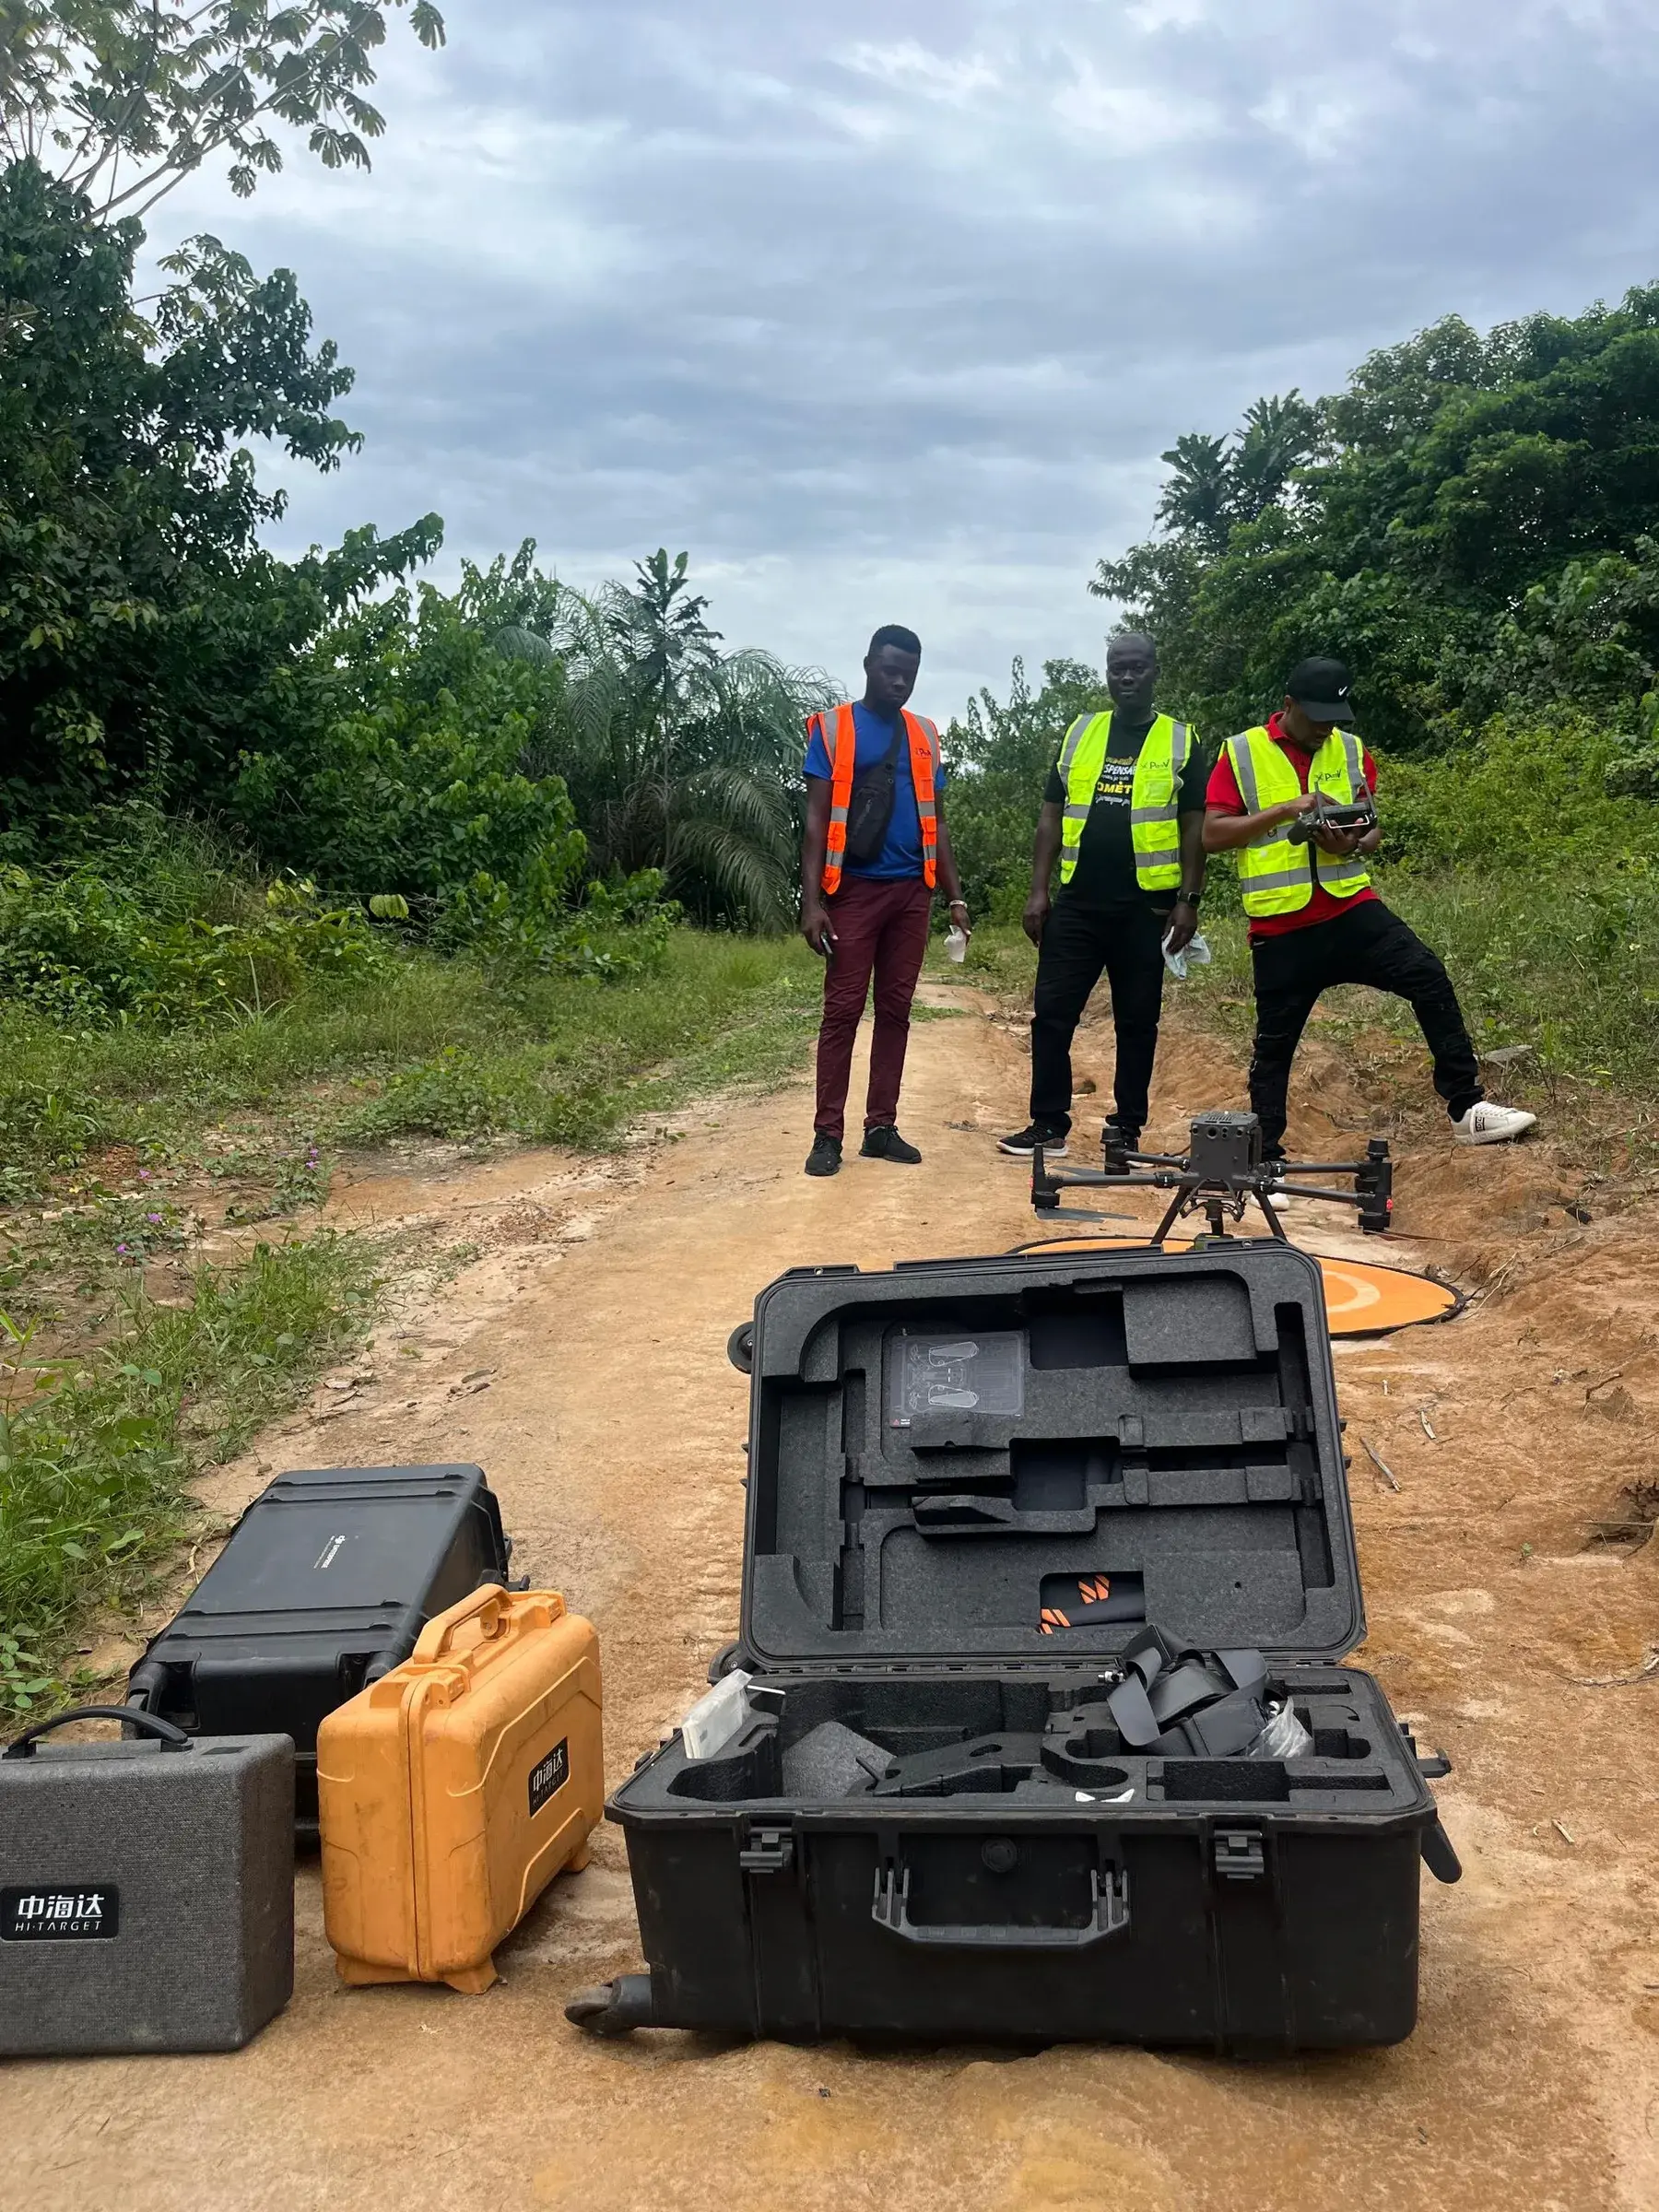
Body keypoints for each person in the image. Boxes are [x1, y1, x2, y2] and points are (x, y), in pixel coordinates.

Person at [1203, 655, 1535, 1158]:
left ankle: (1467, 1109)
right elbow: (1212, 835)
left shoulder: (1351, 749)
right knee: (1274, 1045)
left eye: (1334, 718)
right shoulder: (1242, 751)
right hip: (1281, 925)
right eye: (1316, 717)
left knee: (1427, 976)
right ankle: (1264, 1156)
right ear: (1288, 705)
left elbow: (1372, 827)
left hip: (1350, 909)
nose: (1325, 728)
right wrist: (1285, 810)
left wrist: (1354, 843)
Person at [999, 632, 1206, 1159]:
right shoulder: (1081, 732)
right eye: (1118, 668)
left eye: (1137, 667)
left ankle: (1126, 1130)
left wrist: (1189, 899)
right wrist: (1038, 890)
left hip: (1146, 908)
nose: (1127, 677)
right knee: (1051, 1014)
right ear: (1108, 672)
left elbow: (1194, 826)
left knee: (1137, 1021)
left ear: (1155, 671)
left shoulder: (1181, 740)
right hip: (1078, 903)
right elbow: (1051, 814)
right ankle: (1048, 1124)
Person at [799, 625, 970, 1178]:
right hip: (851, 891)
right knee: (843, 1012)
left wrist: (955, 896)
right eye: (891, 670)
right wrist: (811, 903)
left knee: (895, 1011)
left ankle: (880, 1128)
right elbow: (815, 820)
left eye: (909, 674)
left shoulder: (925, 734)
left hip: (912, 893)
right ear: (869, 664)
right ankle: (828, 1134)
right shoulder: (833, 728)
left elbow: (937, 820)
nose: (899, 682)